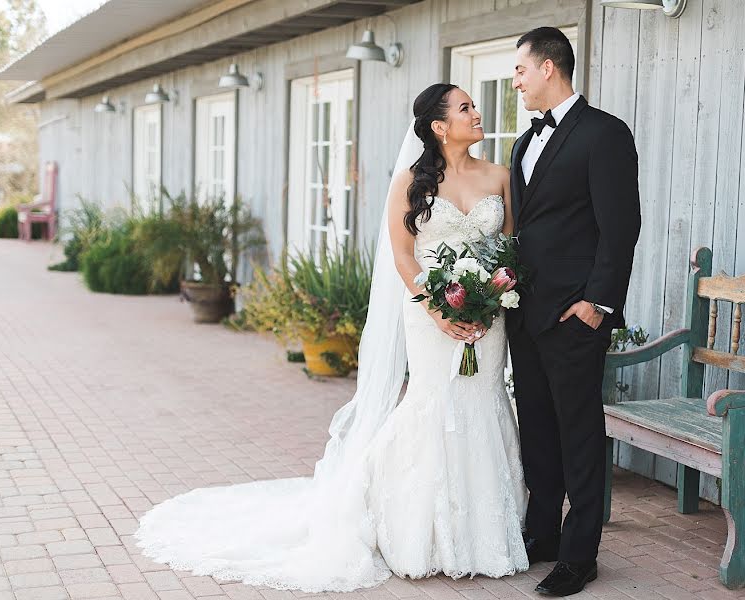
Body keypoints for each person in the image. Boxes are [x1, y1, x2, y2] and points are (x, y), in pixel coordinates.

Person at [133, 83, 529, 592]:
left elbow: (512, 248)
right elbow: (404, 257)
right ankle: (420, 530)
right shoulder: (411, 180)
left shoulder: (500, 176)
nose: (477, 114)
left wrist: (494, 295)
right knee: (435, 403)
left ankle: (487, 533)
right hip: (431, 313)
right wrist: (436, 310)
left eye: (475, 106)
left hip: (488, 316)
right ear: (437, 125)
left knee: (485, 400)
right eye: (466, 108)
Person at [505, 26, 642, 597]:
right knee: (535, 424)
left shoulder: (605, 134)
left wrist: (598, 303)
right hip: (525, 310)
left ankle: (579, 553)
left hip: (576, 315)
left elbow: (621, 226)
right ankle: (543, 533)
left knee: (579, 430)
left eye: (519, 70)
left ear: (548, 68)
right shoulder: (522, 142)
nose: (514, 81)